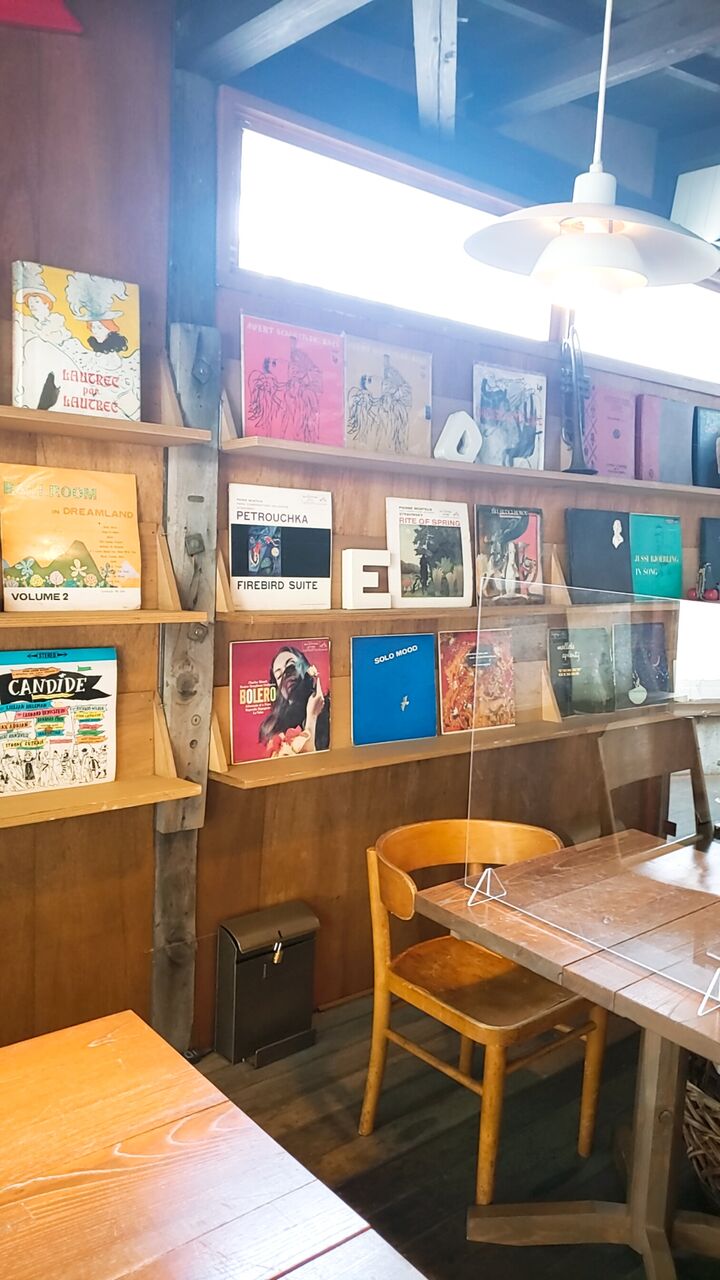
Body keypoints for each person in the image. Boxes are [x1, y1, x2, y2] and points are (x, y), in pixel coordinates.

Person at [258, 645, 330, 757]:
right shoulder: (274, 729)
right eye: (279, 675)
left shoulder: (330, 710)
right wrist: (312, 716)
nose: (286, 674)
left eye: (291, 666)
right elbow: (305, 762)